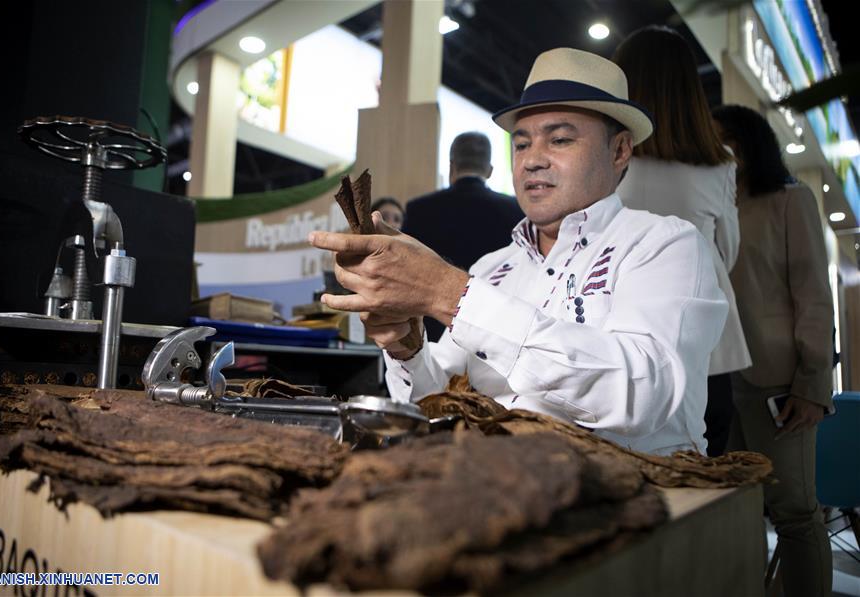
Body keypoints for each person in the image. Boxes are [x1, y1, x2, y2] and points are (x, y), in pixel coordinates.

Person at [310, 48, 728, 455]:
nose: (532, 160)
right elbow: (441, 399)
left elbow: (642, 395)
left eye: (560, 139)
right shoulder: (493, 268)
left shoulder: (664, 245)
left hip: (639, 501)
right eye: (521, 144)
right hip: (501, 492)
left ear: (619, 151)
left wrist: (447, 291)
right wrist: (409, 348)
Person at [612, 26, 752, 456]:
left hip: (617, 330)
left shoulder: (606, 157)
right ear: (691, 87)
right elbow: (725, 254)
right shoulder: (720, 165)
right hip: (703, 340)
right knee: (702, 474)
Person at [713, 104, 833, 597]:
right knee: (734, 511)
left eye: (723, 140)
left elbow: (813, 295)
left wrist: (812, 384)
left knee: (796, 512)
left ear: (747, 144)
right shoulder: (711, 202)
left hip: (780, 382)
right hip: (717, 380)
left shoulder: (790, 200)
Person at [402, 132, 524, 341]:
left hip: (434, 331)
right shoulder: (516, 211)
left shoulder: (419, 210)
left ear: (451, 166)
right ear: (490, 170)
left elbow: (405, 274)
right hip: (494, 332)